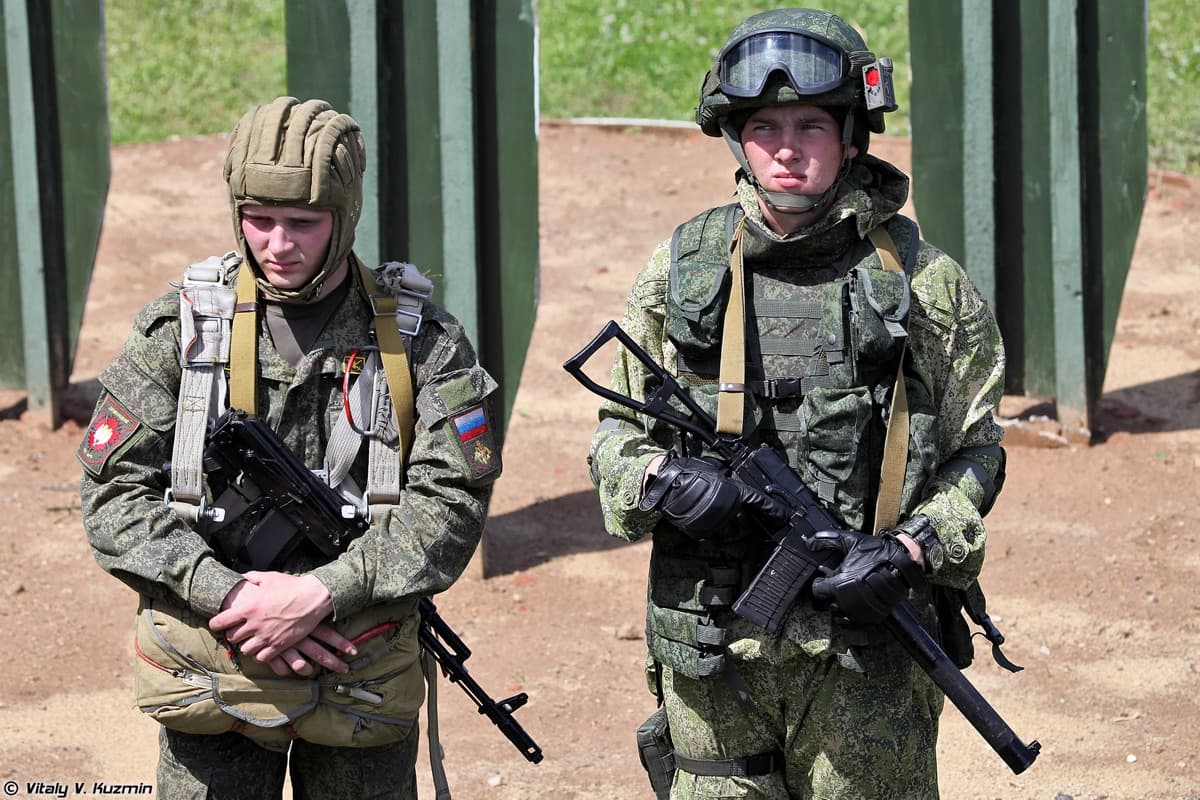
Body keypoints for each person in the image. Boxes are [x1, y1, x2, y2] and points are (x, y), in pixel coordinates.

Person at [587, 8, 1006, 799]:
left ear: (853, 134)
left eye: (811, 124)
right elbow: (615, 435)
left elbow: (978, 452)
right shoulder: (684, 268)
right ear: (734, 134)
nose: (786, 147)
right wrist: (662, 482)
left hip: (866, 655)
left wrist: (912, 547)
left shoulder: (923, 282)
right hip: (713, 653)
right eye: (765, 125)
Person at [78, 97, 502, 798]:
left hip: (357, 671)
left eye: (303, 222)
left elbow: (449, 508)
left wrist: (321, 593)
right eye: (259, 219)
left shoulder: (423, 344)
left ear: (345, 216)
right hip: (212, 665)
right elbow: (113, 497)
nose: (278, 242)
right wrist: (234, 594)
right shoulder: (180, 332)